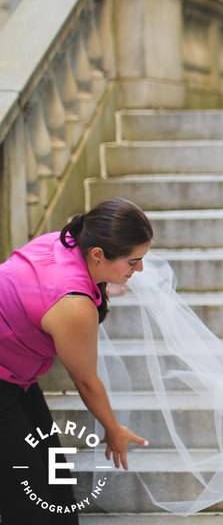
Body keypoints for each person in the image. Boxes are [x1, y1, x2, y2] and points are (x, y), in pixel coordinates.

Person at [0, 198, 153, 524]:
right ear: (98, 255)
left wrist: (103, 285)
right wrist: (113, 429)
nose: (139, 269)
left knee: (56, 483)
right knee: (27, 499)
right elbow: (85, 380)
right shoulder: (74, 304)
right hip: (4, 381)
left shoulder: (66, 240)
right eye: (133, 261)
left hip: (15, 377)